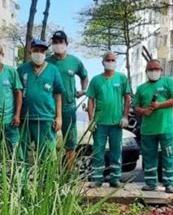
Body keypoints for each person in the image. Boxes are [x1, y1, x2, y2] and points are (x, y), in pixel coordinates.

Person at [133, 59, 173, 194]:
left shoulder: (168, 82)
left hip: (166, 128)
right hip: (148, 130)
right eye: (150, 69)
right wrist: (144, 111)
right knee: (149, 157)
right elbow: (136, 106)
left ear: (161, 70)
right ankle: (150, 183)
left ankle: (169, 184)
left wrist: (159, 105)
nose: (153, 71)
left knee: (168, 155)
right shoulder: (141, 88)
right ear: (146, 71)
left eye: (156, 68)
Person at [86, 51, 132, 188]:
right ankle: (97, 179)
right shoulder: (96, 80)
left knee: (116, 151)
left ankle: (115, 179)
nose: (110, 62)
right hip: (100, 123)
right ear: (103, 62)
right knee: (98, 151)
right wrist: (91, 119)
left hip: (116, 123)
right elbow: (90, 100)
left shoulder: (122, 78)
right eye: (108, 60)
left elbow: (127, 98)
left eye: (113, 60)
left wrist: (125, 116)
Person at [17, 38, 64, 160]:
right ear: (30, 51)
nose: (39, 53)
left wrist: (59, 117)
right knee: (20, 154)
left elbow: (58, 94)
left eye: (42, 51)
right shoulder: (22, 70)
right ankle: (21, 178)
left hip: (46, 118)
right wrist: (16, 115)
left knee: (47, 155)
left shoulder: (53, 70)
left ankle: (47, 179)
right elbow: (16, 93)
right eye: (36, 50)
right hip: (24, 118)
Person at [47, 30, 88, 167]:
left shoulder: (74, 61)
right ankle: (49, 174)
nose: (58, 44)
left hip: (69, 107)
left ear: (66, 43)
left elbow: (84, 76)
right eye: (55, 42)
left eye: (60, 42)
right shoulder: (47, 62)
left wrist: (83, 90)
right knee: (48, 142)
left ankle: (69, 174)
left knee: (70, 144)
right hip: (49, 107)